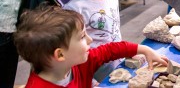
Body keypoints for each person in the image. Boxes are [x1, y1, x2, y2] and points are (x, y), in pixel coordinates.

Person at [13, 5, 168, 87]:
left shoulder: (79, 63)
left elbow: (110, 49)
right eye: (81, 37)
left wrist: (145, 49)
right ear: (60, 55)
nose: (89, 40)